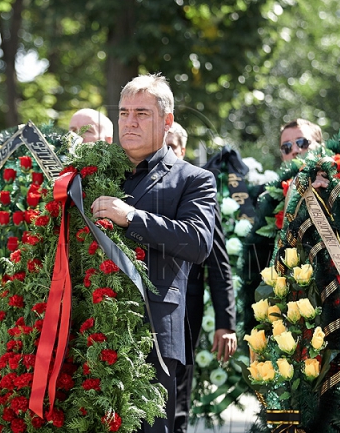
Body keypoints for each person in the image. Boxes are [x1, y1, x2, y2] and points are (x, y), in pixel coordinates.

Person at [91, 74, 217, 433]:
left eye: (142, 113)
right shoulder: (93, 174)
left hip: (153, 338)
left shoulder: (194, 179)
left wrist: (130, 217)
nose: (129, 121)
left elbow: (197, 242)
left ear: (167, 121)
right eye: (125, 112)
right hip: (88, 330)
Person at [165, 122, 237, 433]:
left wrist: (225, 322)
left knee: (177, 394)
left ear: (182, 150)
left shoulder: (197, 189)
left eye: (172, 146)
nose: (166, 152)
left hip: (185, 311)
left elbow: (218, 263)